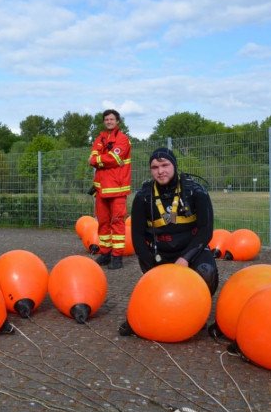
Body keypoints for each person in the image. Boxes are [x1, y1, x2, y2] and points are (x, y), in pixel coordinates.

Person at [130, 147, 219, 295]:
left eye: (165, 165)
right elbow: (137, 238)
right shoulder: (143, 197)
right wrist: (153, 266)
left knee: (206, 273)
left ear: (174, 165)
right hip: (159, 252)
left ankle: (198, 303)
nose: (160, 171)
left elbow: (205, 231)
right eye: (155, 167)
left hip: (191, 250)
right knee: (159, 290)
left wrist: (185, 258)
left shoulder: (196, 192)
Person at [88, 109, 132, 269]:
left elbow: (113, 158)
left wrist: (98, 160)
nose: (109, 121)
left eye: (112, 119)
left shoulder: (123, 139)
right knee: (103, 223)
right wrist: (103, 160)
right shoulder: (100, 138)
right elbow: (94, 157)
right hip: (101, 189)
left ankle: (117, 257)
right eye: (106, 119)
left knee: (117, 222)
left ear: (117, 121)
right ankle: (105, 253)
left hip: (117, 189)